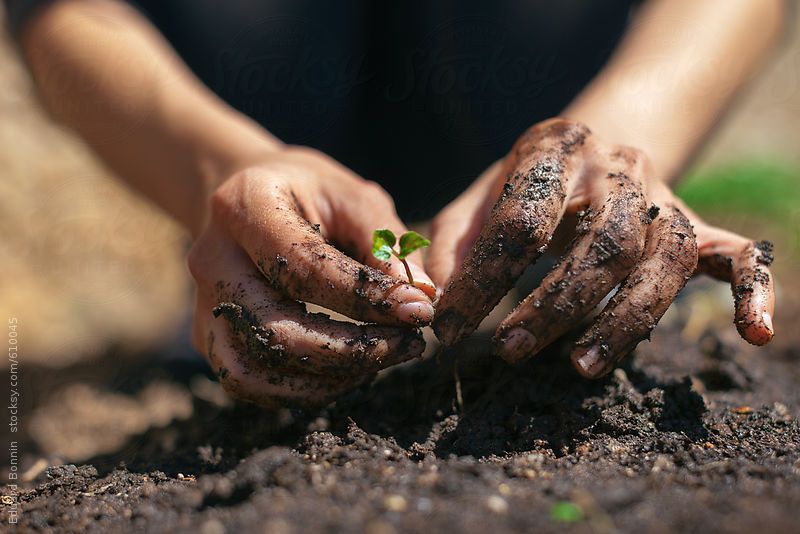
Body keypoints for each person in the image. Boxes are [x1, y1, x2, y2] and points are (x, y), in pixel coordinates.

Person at [6, 0, 782, 407]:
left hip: (515, 73)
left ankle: (567, 252)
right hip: (259, 82)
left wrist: (618, 133)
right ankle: (264, 259)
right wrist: (220, 165)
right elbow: (62, 10)